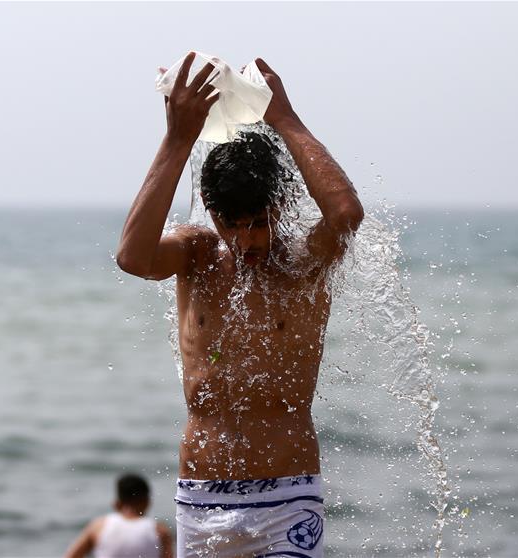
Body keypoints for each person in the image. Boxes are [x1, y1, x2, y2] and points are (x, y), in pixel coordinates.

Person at [116, 52, 363, 558]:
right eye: (234, 224)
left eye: (259, 222)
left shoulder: (302, 265)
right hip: (200, 499)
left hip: (287, 498)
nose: (248, 240)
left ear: (281, 206)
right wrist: (178, 139)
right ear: (211, 210)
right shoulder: (198, 254)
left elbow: (344, 215)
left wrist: (283, 117)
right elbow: (133, 258)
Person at [64, 473, 173, 558]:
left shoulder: (99, 526)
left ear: (117, 503)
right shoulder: (160, 531)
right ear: (147, 502)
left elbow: (71, 556)